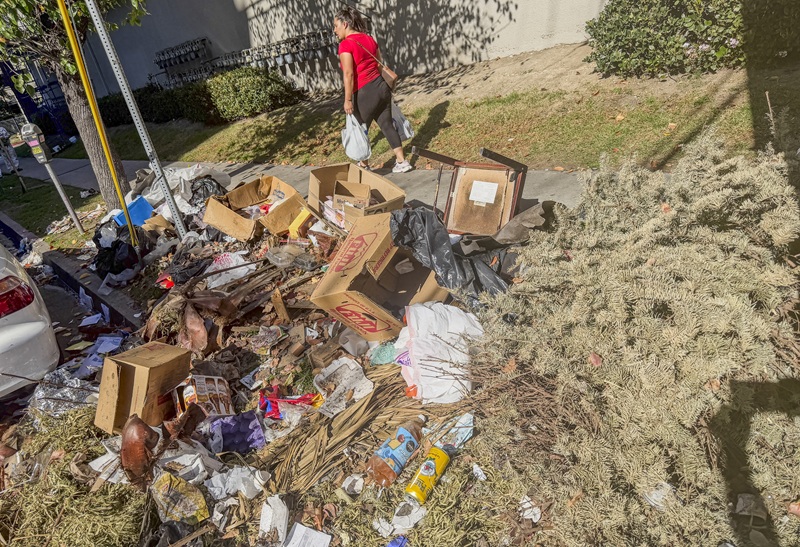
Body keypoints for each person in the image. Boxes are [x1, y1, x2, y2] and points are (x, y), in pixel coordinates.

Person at [334, 6, 412, 173]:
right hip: (381, 87)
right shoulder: (369, 39)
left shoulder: (346, 45)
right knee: (386, 124)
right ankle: (402, 161)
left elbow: (348, 74)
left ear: (345, 24)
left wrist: (347, 99)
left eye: (336, 25)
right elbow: (378, 63)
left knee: (361, 128)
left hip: (364, 91)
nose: (335, 30)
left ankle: (363, 166)